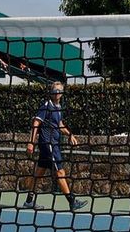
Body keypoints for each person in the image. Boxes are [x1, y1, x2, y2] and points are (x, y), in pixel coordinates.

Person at [22, 82, 89, 210]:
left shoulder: (58, 107)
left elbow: (59, 124)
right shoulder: (47, 106)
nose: (57, 92)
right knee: (60, 171)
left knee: (39, 172)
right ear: (51, 92)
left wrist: (70, 135)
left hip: (53, 144)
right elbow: (36, 122)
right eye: (55, 90)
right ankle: (72, 201)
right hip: (49, 144)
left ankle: (29, 201)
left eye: (60, 90)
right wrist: (31, 142)